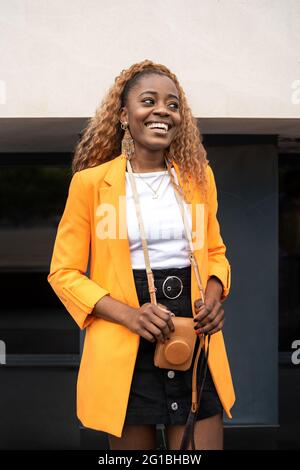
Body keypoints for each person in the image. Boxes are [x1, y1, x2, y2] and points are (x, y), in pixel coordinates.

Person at [47, 59, 235, 450]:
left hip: (194, 337)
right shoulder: (91, 185)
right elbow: (63, 273)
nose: (162, 111)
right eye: (148, 101)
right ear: (123, 115)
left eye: (173, 104)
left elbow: (215, 251)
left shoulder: (200, 178)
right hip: (124, 342)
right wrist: (131, 315)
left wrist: (214, 295)